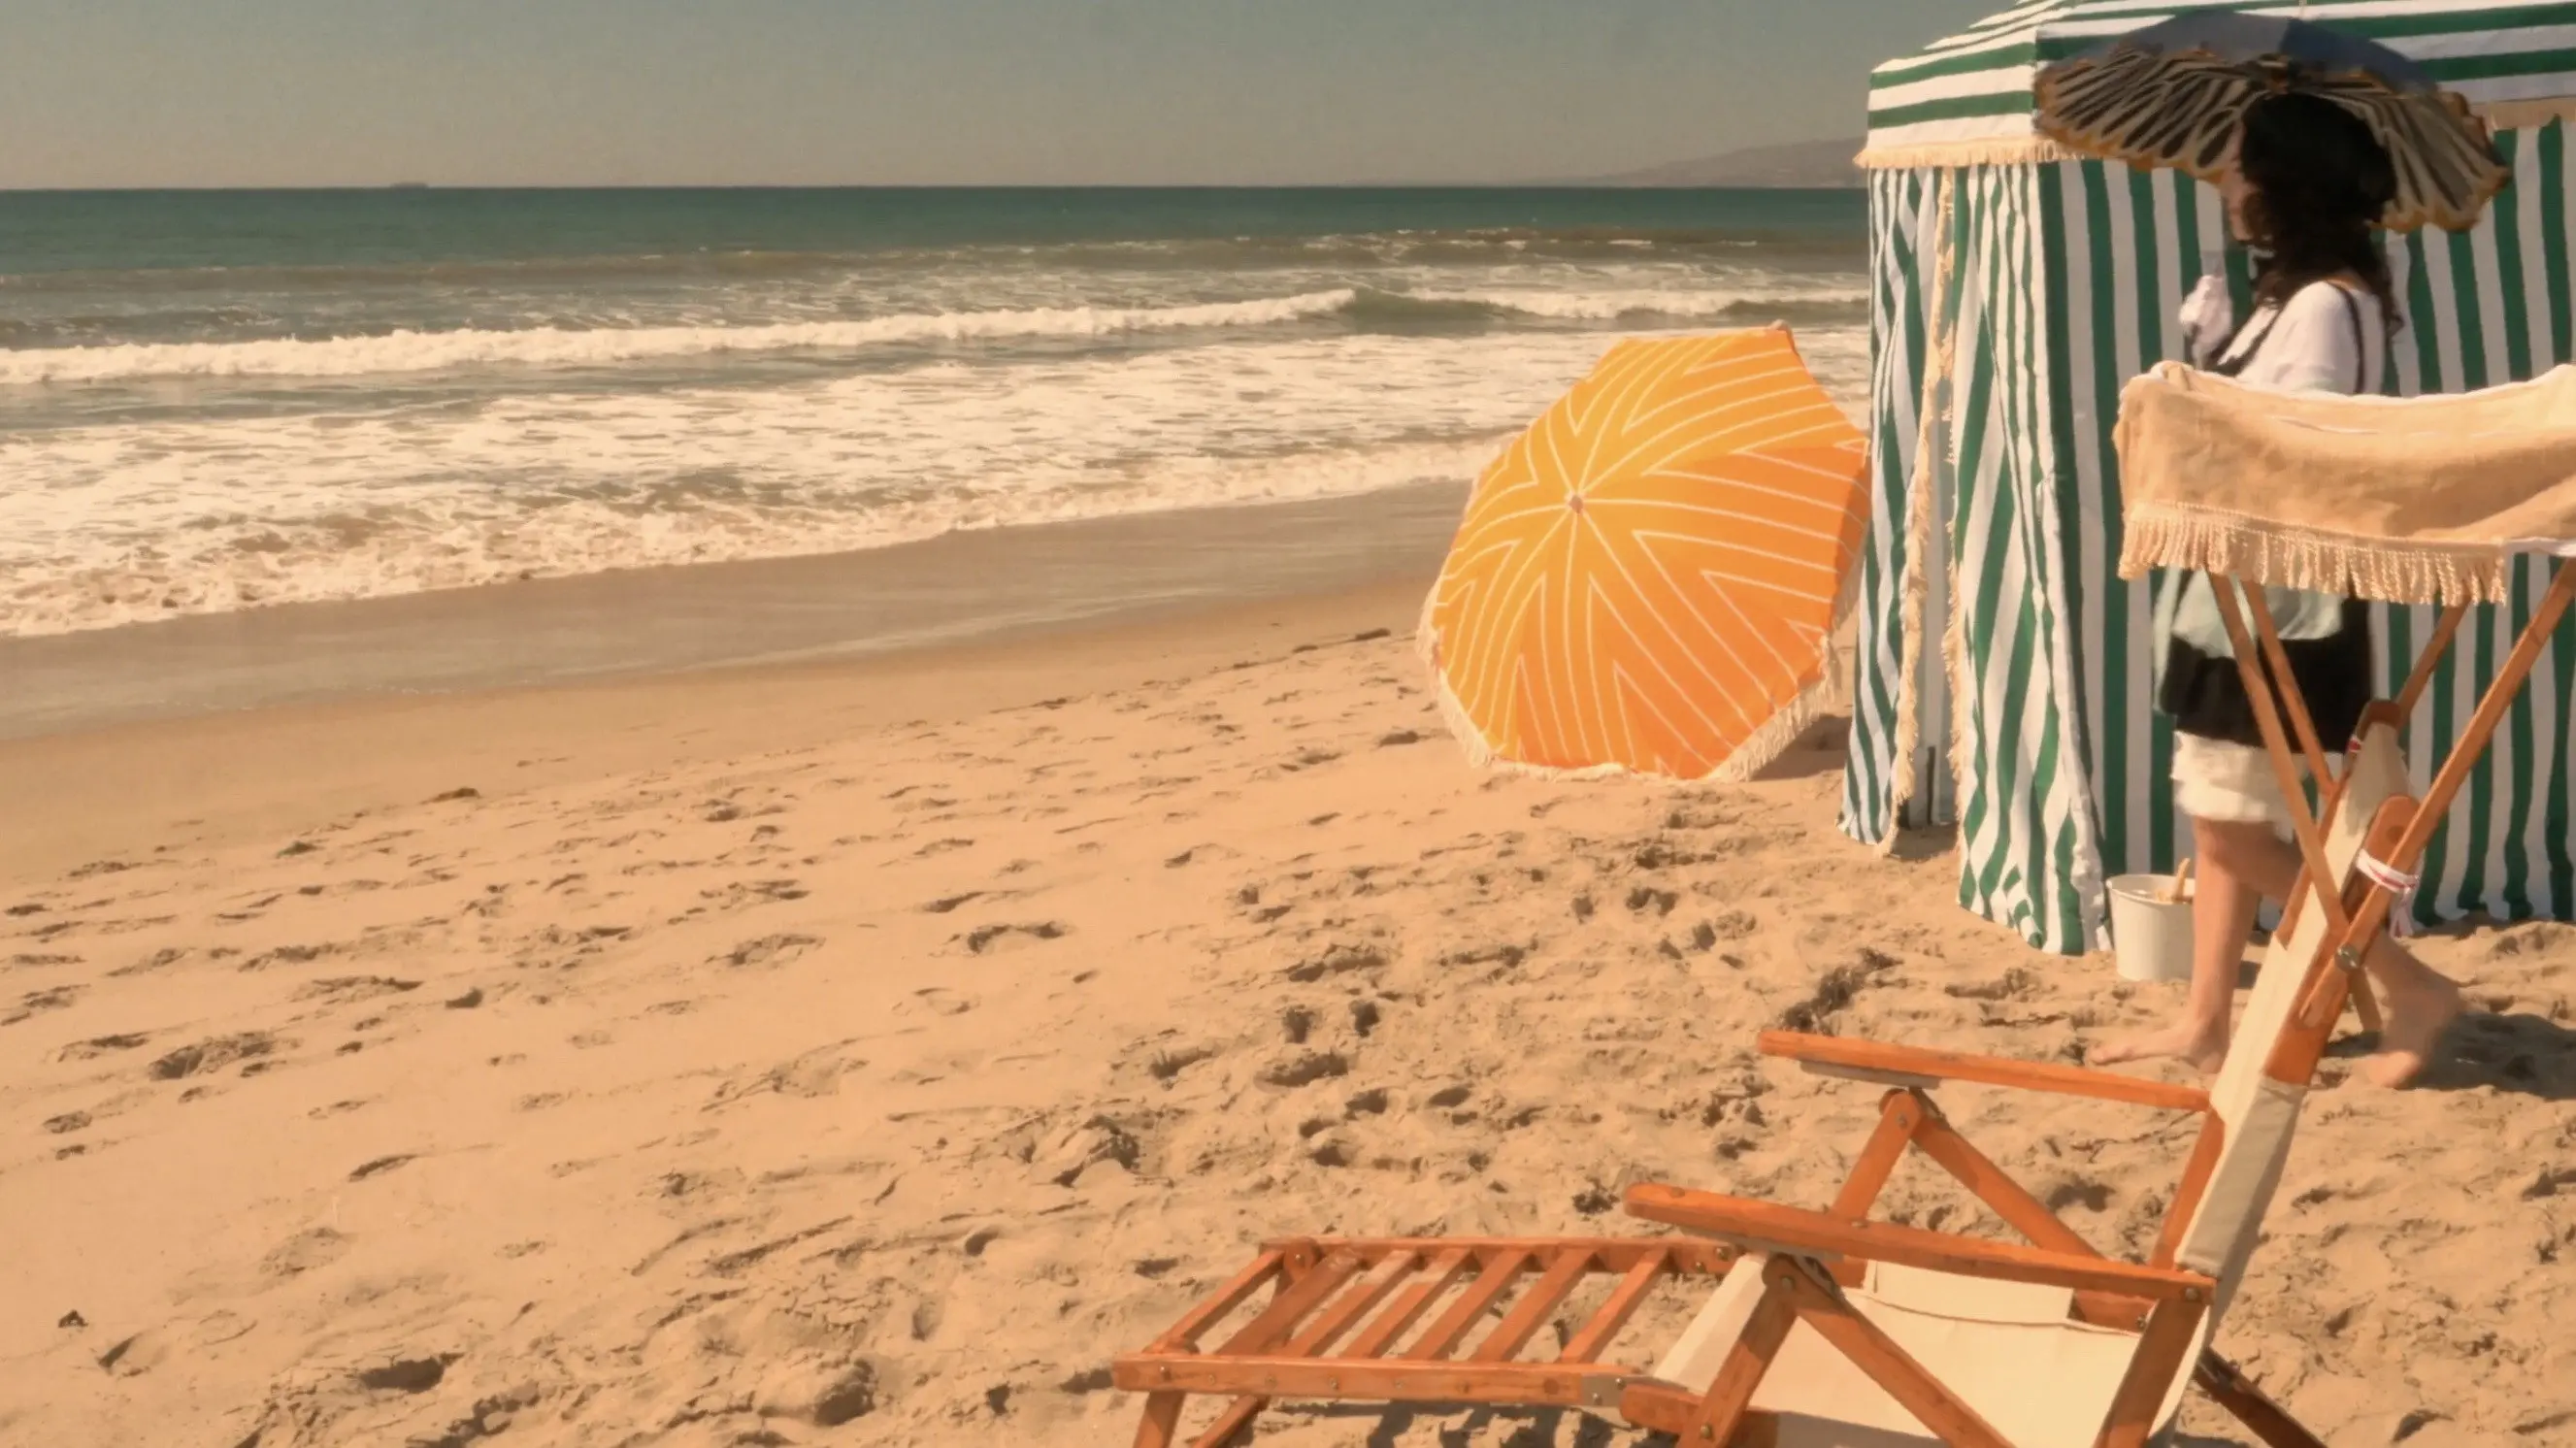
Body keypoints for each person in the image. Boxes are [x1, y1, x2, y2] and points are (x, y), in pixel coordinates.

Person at [2095, 91, 2462, 1089]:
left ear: (2281, 185)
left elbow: (2292, 453)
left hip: (2279, 611)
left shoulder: (2319, 307)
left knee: (2231, 824)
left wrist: (2188, 386)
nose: (2226, 180)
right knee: (2225, 814)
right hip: (2237, 603)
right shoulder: (2285, 299)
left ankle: (2406, 982)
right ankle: (2205, 1020)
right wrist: (2209, 354)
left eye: (2239, 163)